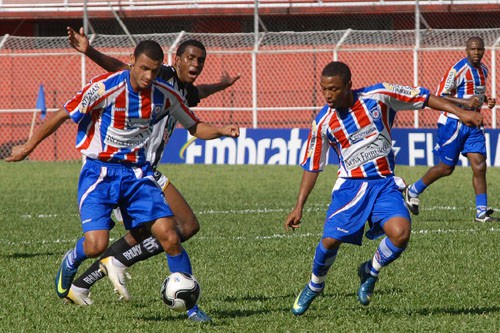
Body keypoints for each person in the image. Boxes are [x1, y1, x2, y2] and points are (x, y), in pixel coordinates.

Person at [6, 40, 240, 323]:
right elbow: (62, 113)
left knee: (170, 233)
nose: (148, 77)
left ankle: (191, 308)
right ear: (132, 61)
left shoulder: (164, 94)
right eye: (143, 69)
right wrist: (29, 146)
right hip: (100, 172)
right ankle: (75, 260)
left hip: (137, 174)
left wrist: (222, 131)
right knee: (95, 245)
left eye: (153, 71)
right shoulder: (106, 87)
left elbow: (194, 125)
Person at [284, 61, 482, 316]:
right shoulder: (323, 121)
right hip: (350, 186)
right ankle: (315, 285)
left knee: (401, 234)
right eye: (324, 89)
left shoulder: (378, 96)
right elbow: (312, 165)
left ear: (349, 85)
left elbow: (423, 97)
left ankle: (370, 270)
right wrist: (299, 206)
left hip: (384, 183)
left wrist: (460, 112)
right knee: (330, 241)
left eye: (334, 89)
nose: (328, 95)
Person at [63, 27, 241, 308]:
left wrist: (222, 86)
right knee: (182, 226)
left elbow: (198, 93)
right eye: (191, 58)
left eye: (200, 60)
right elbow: (124, 68)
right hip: (134, 166)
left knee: (163, 230)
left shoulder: (180, 89)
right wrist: (89, 51)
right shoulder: (162, 77)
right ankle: (109, 265)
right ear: (177, 60)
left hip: (145, 169)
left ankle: (87, 279)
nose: (196, 64)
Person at [404, 37, 497, 223]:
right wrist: (465, 103)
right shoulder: (457, 70)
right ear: (466, 50)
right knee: (446, 168)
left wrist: (486, 100)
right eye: (473, 49)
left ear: (484, 50)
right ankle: (412, 190)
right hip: (453, 123)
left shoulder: (484, 70)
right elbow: (440, 96)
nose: (476, 52)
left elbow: (475, 95)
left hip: (473, 124)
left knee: (479, 165)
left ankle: (481, 213)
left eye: (480, 49)